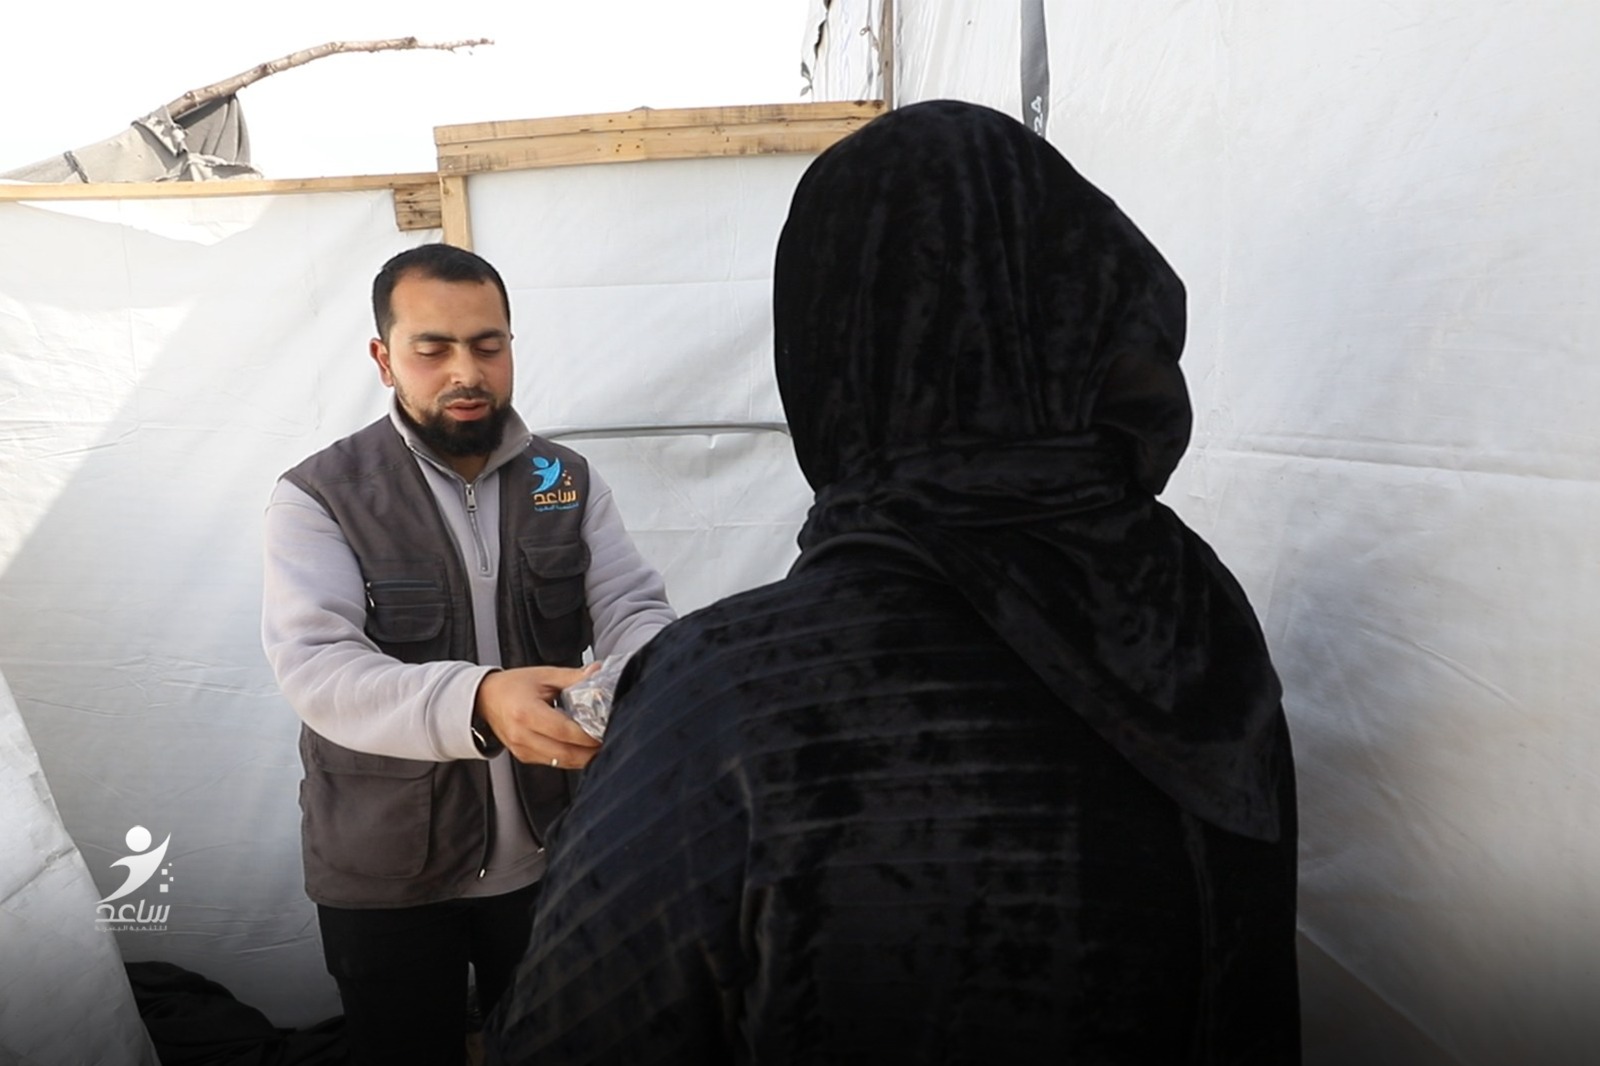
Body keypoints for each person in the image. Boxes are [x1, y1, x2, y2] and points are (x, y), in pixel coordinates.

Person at [486, 100, 1300, 1064]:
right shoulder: (1202, 623)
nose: (469, 371)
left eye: (486, 344)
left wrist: (654, 693)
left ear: (828, 338)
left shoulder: (727, 695)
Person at [261, 242, 675, 1065]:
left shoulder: (565, 478)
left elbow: (632, 608)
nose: (467, 372)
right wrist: (479, 701)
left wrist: (644, 678)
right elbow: (318, 668)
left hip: (557, 855)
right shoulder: (319, 495)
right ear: (384, 358)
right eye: (433, 349)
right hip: (387, 870)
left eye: (488, 345)